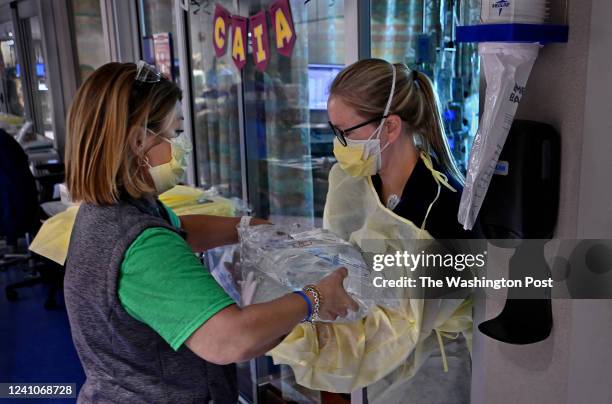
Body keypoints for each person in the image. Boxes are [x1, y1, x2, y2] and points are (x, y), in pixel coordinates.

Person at [63, 61, 358, 404]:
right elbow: (229, 340)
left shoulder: (114, 211)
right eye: (173, 134)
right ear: (138, 140)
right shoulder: (141, 245)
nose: (181, 145)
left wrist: (251, 229)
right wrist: (315, 298)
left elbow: (181, 231)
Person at [324, 59, 475, 402]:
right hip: (379, 354)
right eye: (335, 131)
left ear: (390, 127)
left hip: (435, 365)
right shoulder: (354, 184)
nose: (340, 144)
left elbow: (419, 305)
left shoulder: (445, 205)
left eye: (346, 132)